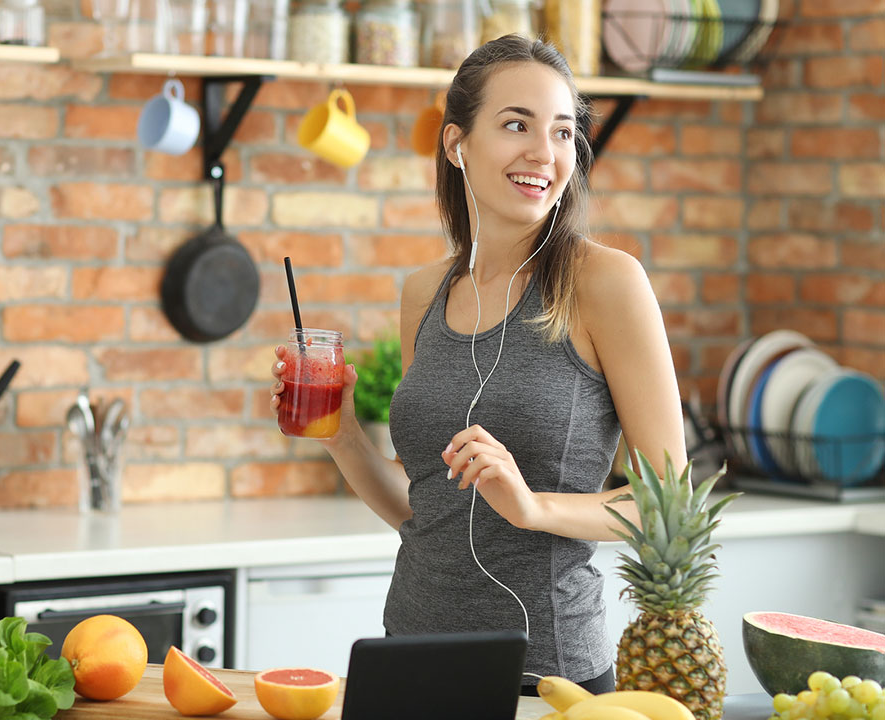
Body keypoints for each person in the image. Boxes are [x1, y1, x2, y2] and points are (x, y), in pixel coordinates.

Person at [269, 34, 687, 695]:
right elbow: (427, 510)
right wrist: (342, 435)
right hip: (406, 660)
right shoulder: (424, 293)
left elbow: (669, 506)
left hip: (545, 679)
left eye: (559, 132)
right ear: (455, 143)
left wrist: (530, 506)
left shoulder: (605, 283)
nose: (542, 154)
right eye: (515, 124)